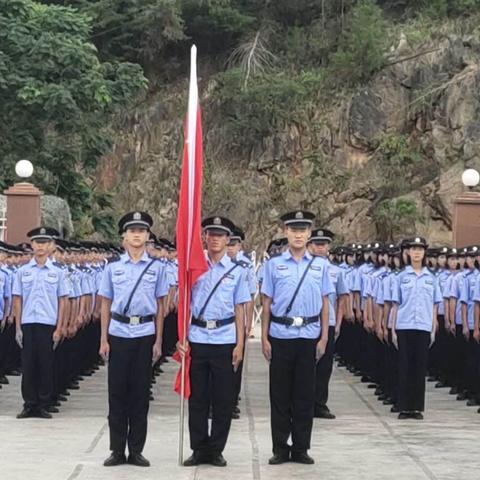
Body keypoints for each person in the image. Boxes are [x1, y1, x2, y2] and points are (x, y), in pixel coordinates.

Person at [261, 210, 334, 465]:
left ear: (309, 234)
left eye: (303, 230)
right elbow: (267, 303)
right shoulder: (273, 265)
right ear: (286, 232)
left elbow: (325, 304)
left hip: (309, 336)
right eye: (293, 229)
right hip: (281, 335)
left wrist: (324, 337)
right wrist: (264, 338)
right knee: (280, 395)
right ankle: (280, 448)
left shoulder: (320, 266)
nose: (298, 234)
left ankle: (301, 447)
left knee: (304, 394)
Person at [98, 211, 169, 468]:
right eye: (132, 231)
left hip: (144, 335)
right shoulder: (112, 267)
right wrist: (103, 339)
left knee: (139, 395)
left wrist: (159, 340)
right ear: (124, 236)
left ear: (148, 236)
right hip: (118, 334)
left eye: (142, 230)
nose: (137, 235)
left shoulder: (156, 268)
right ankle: (117, 449)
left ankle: (136, 450)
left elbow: (160, 307)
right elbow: (105, 304)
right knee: (117, 394)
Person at [179, 216, 251, 467]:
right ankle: (199, 448)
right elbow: (185, 303)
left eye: (220, 235)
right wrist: (182, 337)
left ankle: (216, 449)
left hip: (224, 338)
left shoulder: (237, 271)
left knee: (222, 399)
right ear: (205, 238)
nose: (215, 239)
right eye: (210, 234)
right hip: (198, 338)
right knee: (198, 397)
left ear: (228, 239)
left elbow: (240, 309)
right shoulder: (195, 268)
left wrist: (240, 344)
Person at [13, 227, 69, 419]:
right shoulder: (22, 272)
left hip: (48, 323)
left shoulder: (58, 272)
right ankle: (29, 404)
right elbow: (18, 299)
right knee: (28, 365)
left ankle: (44, 403)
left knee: (46, 364)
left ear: (51, 246)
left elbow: (63, 300)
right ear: (31, 245)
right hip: (29, 322)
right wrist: (18, 326)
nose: (40, 246)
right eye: (37, 243)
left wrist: (60, 327)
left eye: (44, 243)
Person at [391, 236, 442, 420]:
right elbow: (396, 304)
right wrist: (392, 329)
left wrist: (434, 326)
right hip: (404, 325)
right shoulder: (401, 277)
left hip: (423, 326)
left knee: (420, 367)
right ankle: (404, 407)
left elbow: (435, 304)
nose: (417, 252)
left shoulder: (431, 277)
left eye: (420, 249)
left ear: (424, 252)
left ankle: (417, 407)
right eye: (414, 249)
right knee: (404, 366)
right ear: (408, 253)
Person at [307, 227, 348, 419]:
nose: (320, 248)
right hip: (307, 322)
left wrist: (338, 323)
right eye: (317, 244)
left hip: (328, 321)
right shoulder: (304, 268)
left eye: (323, 244)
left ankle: (320, 403)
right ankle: (304, 403)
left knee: (325, 365)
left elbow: (342, 297)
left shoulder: (336, 271)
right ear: (310, 246)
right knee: (306, 364)